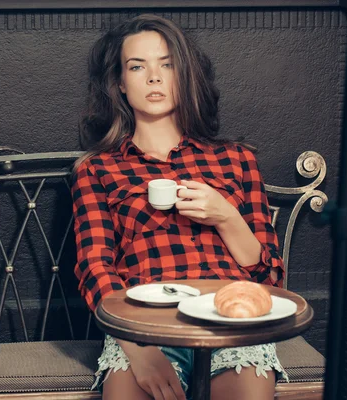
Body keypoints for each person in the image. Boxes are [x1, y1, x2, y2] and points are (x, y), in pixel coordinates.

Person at [71, 14, 287, 400]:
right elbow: (94, 267)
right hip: (142, 327)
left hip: (229, 322)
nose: (154, 77)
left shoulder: (236, 159)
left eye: (166, 64)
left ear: (183, 73)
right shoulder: (98, 169)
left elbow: (270, 277)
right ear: (120, 82)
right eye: (138, 66)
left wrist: (224, 215)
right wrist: (136, 347)